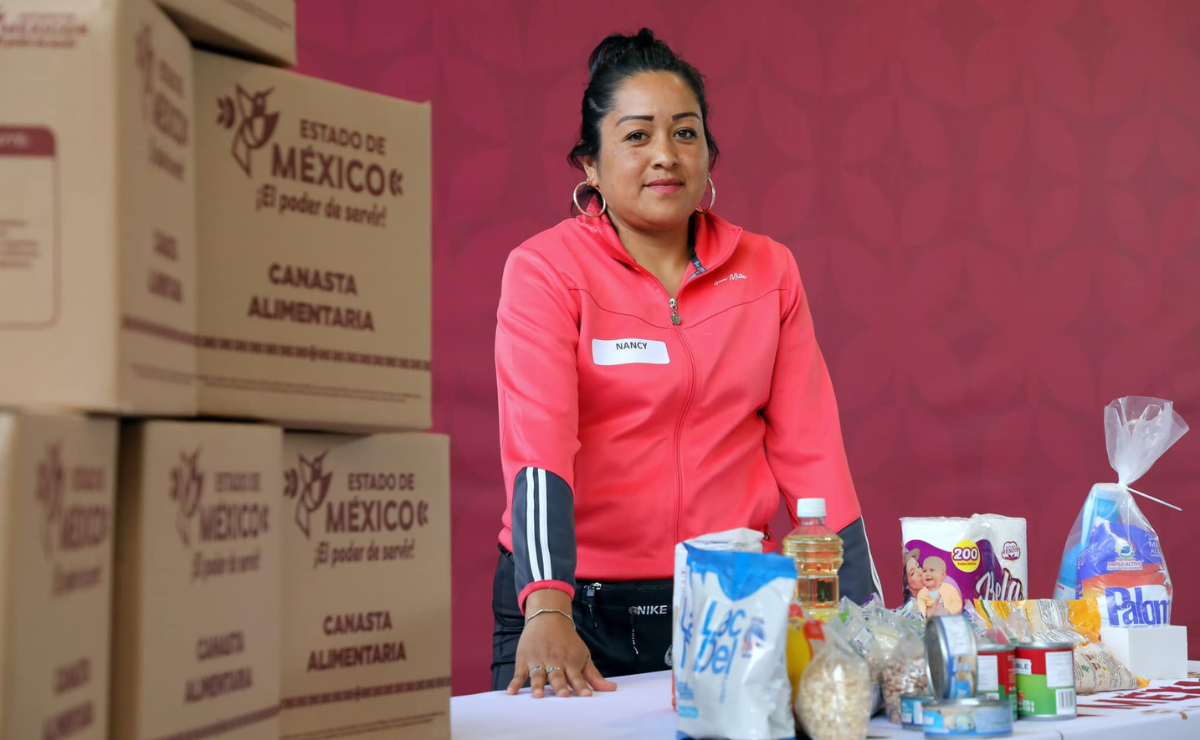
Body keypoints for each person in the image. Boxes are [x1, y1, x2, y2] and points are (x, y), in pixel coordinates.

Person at [492, 28, 881, 699]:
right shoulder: (545, 270)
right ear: (589, 164)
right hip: (574, 604)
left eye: (685, 133)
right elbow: (540, 447)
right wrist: (547, 606)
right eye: (637, 135)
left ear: (708, 155)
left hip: (733, 602)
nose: (665, 155)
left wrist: (863, 614)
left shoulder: (769, 269)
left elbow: (812, 448)